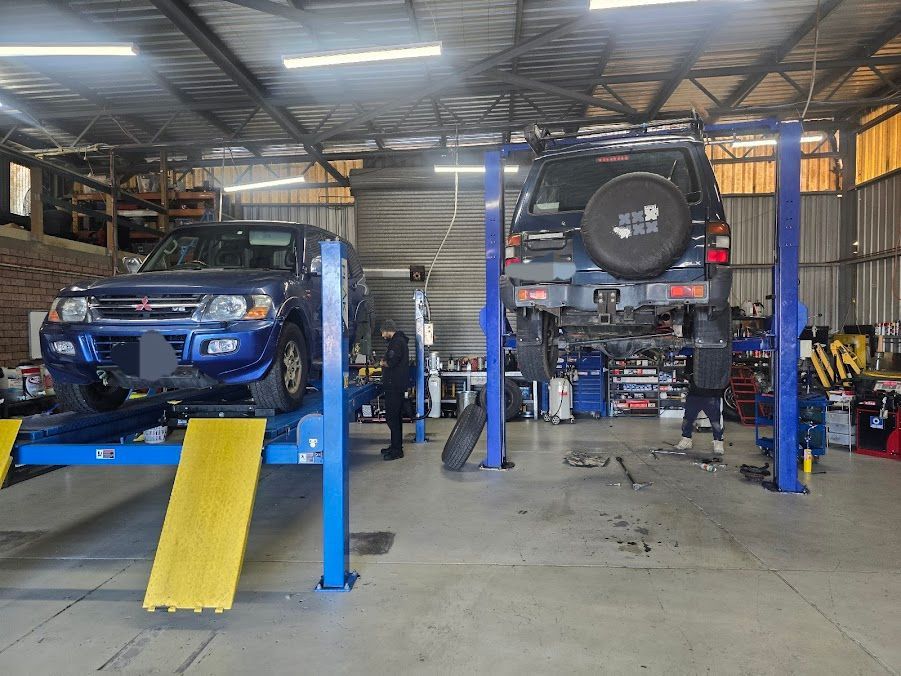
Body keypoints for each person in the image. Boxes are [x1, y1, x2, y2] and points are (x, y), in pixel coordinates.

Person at [675, 353, 727, 455]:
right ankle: (686, 439)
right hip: (695, 394)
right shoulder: (693, 356)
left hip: (712, 394)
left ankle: (718, 442)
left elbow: (724, 375)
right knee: (688, 419)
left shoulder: (719, 357)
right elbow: (687, 374)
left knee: (715, 421)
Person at [379, 319, 410, 461]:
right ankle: (395, 446)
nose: (382, 336)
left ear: (387, 330)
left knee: (392, 418)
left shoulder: (396, 342)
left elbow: (391, 361)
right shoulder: (400, 341)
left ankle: (397, 450)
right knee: (395, 418)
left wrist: (383, 362)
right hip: (396, 385)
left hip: (394, 386)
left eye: (382, 332)